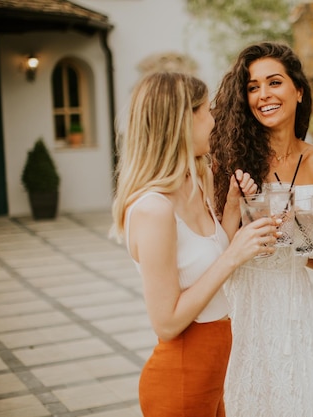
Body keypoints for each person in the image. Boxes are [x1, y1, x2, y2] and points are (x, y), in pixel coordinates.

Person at [111, 72, 278, 417]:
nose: (214, 121)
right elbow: (167, 323)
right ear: (182, 121)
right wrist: (234, 255)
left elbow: (212, 264)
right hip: (181, 379)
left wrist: (233, 206)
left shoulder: (195, 183)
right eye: (207, 111)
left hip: (211, 374)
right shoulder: (153, 208)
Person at [210, 41, 313, 417]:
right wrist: (234, 201)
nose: (263, 94)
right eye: (252, 86)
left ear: (298, 91)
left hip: (291, 309)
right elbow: (218, 252)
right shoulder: (229, 158)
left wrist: (298, 232)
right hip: (239, 307)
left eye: (274, 82)